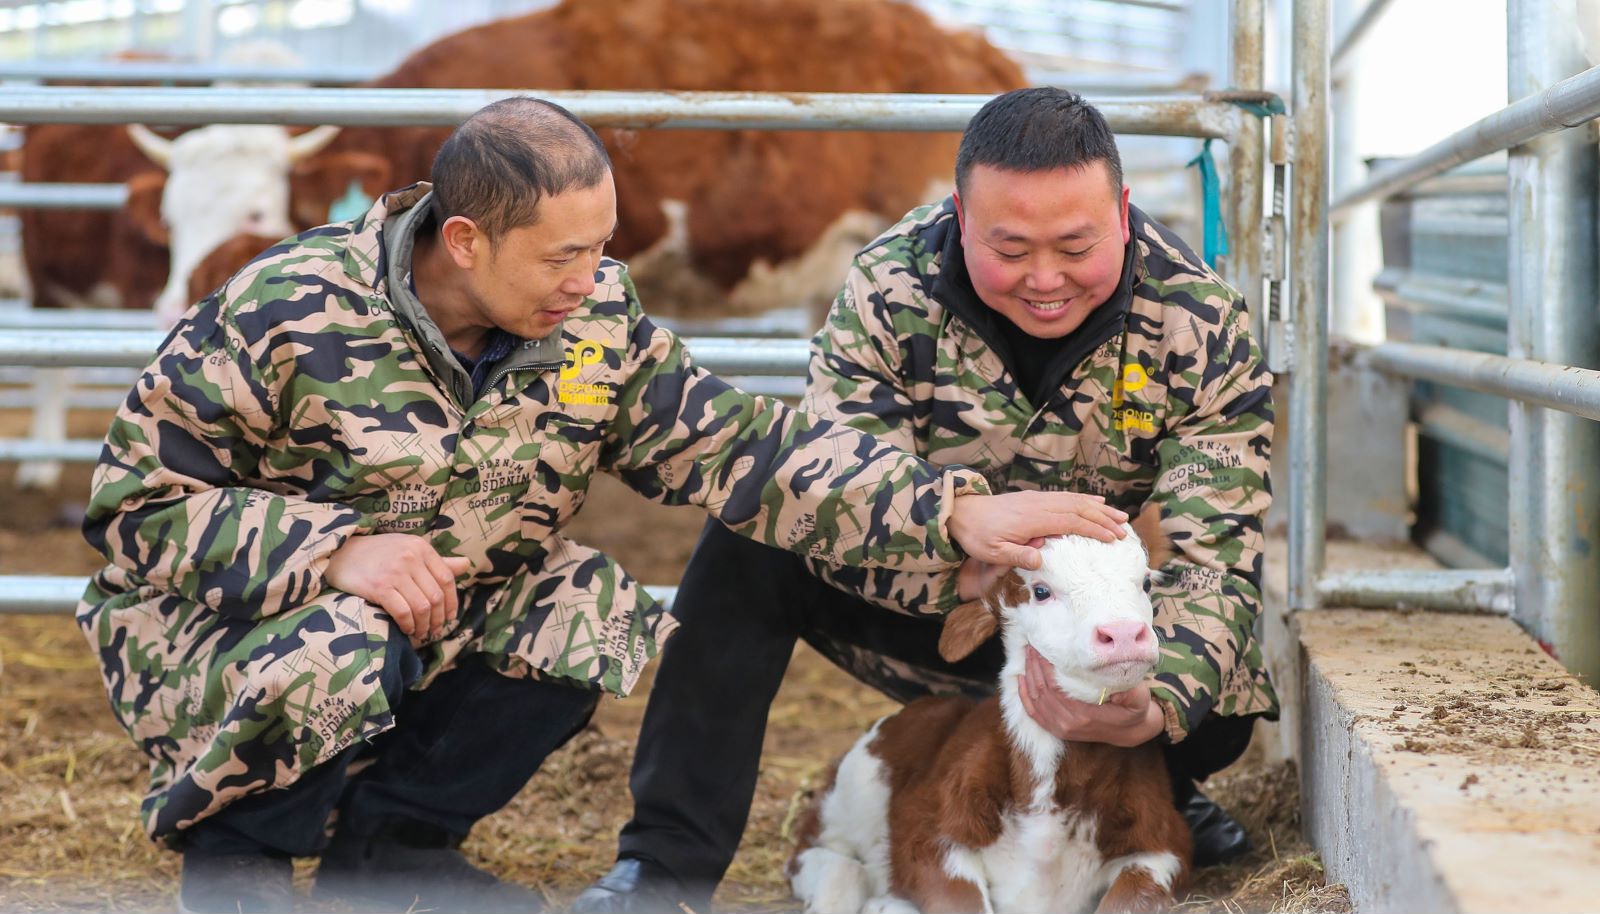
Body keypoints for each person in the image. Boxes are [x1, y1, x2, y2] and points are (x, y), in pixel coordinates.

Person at [74, 97, 1131, 914]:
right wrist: (337, 551)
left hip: (434, 611)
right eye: (563, 255)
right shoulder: (288, 307)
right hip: (235, 634)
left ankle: (392, 854)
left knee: (591, 607)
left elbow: (746, 448)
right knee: (344, 636)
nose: (589, 278)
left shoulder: (592, 322)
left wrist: (948, 512)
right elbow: (134, 505)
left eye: (601, 247)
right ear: (465, 241)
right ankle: (241, 857)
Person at [573, 87, 1278, 914]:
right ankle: (664, 866)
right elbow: (832, 480)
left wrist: (1154, 705)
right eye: (1008, 247)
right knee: (749, 537)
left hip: (1098, 636)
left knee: (1220, 693)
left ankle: (1144, 786)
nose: (1045, 279)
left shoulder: (1200, 320)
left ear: (1122, 214)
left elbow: (1214, 559)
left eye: (1076, 245)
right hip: (939, 604)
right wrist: (956, 545)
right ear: (960, 216)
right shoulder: (889, 284)